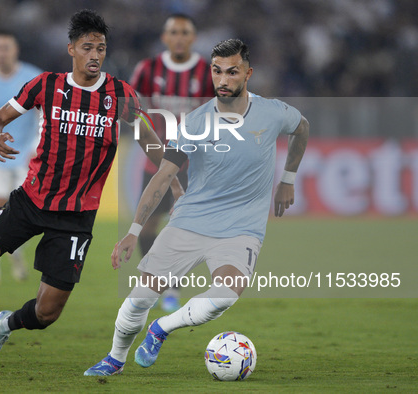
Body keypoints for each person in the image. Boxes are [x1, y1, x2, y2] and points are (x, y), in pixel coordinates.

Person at [0, 9, 182, 367]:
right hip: (31, 200)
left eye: (101, 48)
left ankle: (4, 324)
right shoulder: (45, 85)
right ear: (71, 49)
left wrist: (176, 188)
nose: (95, 55)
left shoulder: (120, 95)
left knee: (46, 313)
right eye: (88, 47)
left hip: (76, 217)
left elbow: (151, 144)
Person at [84, 38, 309, 376]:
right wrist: (133, 231)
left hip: (241, 229)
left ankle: (161, 328)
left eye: (232, 72)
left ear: (248, 73)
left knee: (224, 295)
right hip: (190, 221)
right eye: (217, 71)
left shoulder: (272, 112)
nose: (223, 80)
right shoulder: (195, 123)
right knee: (138, 300)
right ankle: (115, 359)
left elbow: (302, 128)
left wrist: (288, 178)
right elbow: (162, 177)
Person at [129, 14, 215, 312]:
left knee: (184, 229)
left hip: (195, 166)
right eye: (174, 32)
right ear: (165, 37)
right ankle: (157, 281)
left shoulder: (207, 72)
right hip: (157, 164)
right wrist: (151, 147)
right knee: (148, 225)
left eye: (185, 32)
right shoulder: (147, 69)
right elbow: (133, 113)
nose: (179, 37)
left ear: (193, 37)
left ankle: (172, 288)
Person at [0, 30, 42, 287]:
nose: (2, 53)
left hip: (26, 156)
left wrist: (37, 146)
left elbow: (43, 114)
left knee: (20, 213)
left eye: (6, 47)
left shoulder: (32, 77)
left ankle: (16, 254)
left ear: (15, 50)